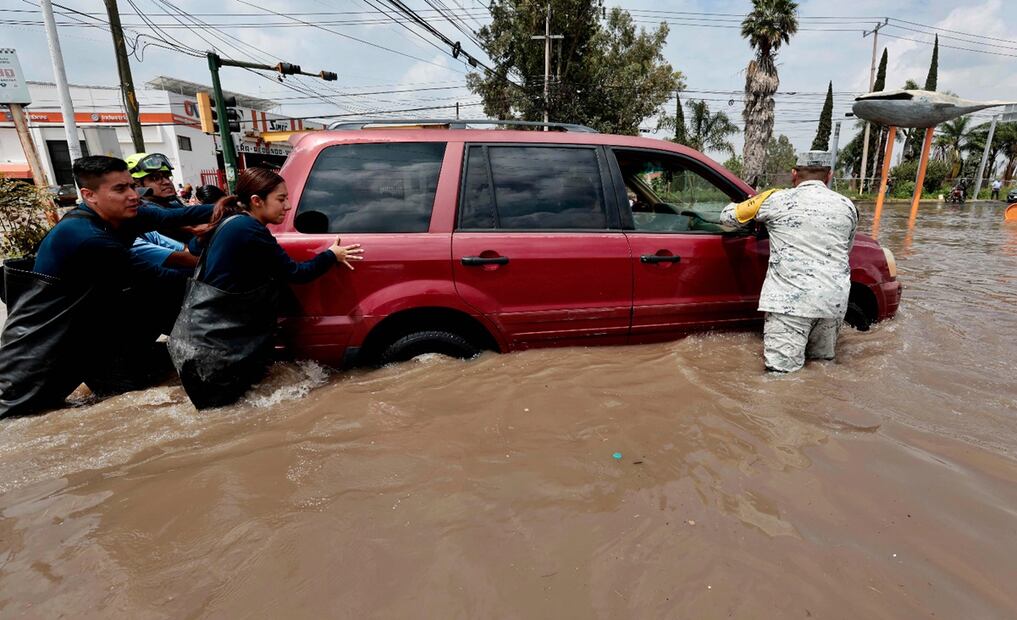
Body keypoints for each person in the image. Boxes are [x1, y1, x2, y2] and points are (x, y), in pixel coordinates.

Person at [0, 156, 215, 417]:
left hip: (87, 341)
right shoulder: (85, 238)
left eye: (131, 185)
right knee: (26, 419)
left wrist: (238, 205)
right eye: (120, 189)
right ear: (89, 195)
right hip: (35, 357)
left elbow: (176, 215)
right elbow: (161, 280)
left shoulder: (122, 217)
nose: (133, 195)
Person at [169, 167, 363, 409]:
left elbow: (194, 247)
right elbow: (297, 273)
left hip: (196, 346)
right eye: (281, 199)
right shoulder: (249, 230)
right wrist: (331, 255)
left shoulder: (230, 221)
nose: (289, 206)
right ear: (256, 201)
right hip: (216, 356)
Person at [720, 151, 858, 373]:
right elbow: (846, 249)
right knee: (822, 368)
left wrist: (748, 204)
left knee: (780, 377)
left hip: (790, 304)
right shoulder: (847, 206)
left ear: (794, 173)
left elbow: (727, 219)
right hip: (833, 302)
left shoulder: (775, 199)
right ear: (829, 175)